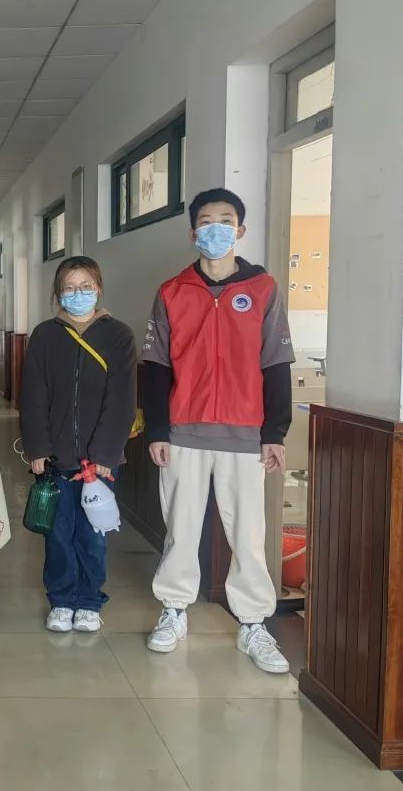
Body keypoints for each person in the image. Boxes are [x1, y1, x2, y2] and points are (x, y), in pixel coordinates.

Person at [142, 188, 294, 674]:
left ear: (240, 230)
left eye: (225, 221)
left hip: (246, 434)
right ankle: (173, 610)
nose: (216, 229)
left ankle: (253, 623)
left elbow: (276, 363)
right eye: (206, 221)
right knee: (180, 528)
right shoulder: (172, 292)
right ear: (193, 233)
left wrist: (275, 432)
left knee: (248, 534)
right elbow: (156, 366)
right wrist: (157, 429)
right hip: (183, 431)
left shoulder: (264, 289)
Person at [20, 256, 136, 634]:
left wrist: (104, 454)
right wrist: (37, 449)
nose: (78, 294)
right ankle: (61, 599)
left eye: (86, 286)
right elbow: (33, 397)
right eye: (69, 288)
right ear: (58, 294)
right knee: (57, 534)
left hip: (98, 462)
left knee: (92, 535)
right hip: (55, 459)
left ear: (98, 289)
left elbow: (121, 400)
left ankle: (88, 600)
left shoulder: (118, 335)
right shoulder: (44, 335)